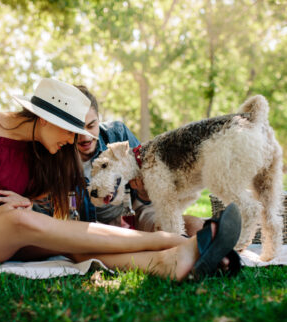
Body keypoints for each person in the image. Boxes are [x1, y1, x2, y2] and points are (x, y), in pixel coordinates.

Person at [0, 78, 241, 281]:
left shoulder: (41, 149)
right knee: (18, 221)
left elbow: (37, 198)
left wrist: (27, 201)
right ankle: (172, 240)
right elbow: (6, 214)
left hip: (6, 238)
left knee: (72, 245)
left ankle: (167, 262)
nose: (75, 139)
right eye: (70, 130)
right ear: (45, 119)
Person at [74, 85, 205, 235]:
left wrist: (144, 193)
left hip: (131, 211)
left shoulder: (117, 134)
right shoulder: (58, 154)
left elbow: (151, 194)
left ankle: (217, 243)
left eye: (91, 125)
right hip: (87, 225)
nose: (85, 137)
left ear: (99, 118)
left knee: (194, 226)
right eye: (78, 129)